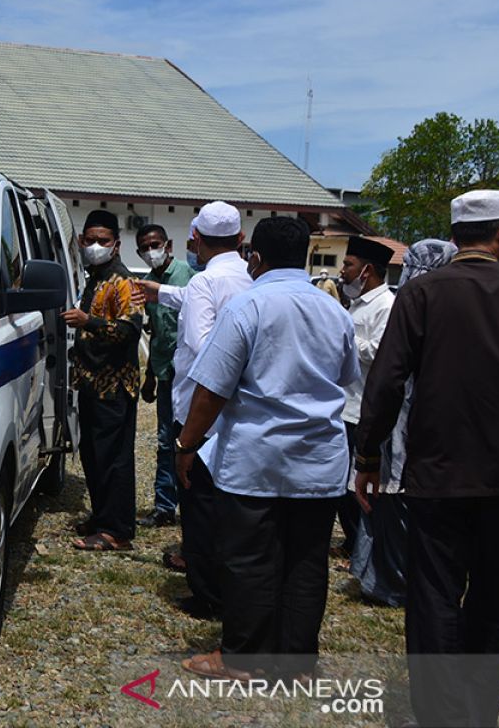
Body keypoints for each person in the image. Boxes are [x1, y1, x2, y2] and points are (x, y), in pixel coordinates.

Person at [355, 190, 499, 727]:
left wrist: (368, 456)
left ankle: (438, 714)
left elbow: (385, 382)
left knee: (433, 598)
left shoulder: (422, 293)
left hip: (436, 474)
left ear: (453, 238)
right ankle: (478, 713)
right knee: (495, 600)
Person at [175, 217, 360, 680]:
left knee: (249, 557)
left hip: (257, 456)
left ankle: (242, 655)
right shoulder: (333, 310)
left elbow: (211, 388)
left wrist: (186, 443)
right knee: (306, 560)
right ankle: (298, 661)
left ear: (255, 256)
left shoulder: (247, 306)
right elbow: (345, 376)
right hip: (318, 458)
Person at [138, 202, 252, 618]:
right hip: (237, 410)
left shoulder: (206, 283)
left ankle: (207, 593)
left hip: (200, 407)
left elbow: (206, 348)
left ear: (196, 241)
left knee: (199, 505)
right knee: (228, 503)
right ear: (240, 241)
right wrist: (161, 291)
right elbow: (192, 296)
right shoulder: (247, 278)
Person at [350, 239, 455, 609]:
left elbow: (388, 376)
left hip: (402, 429)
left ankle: (393, 583)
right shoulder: (452, 309)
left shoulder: (405, 308)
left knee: (395, 508)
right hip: (431, 435)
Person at [64, 209, 144, 551]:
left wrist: (88, 322)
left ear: (116, 244)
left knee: (114, 458)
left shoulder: (122, 282)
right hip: (92, 383)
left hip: (114, 386)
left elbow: (129, 331)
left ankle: (117, 530)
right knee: (94, 455)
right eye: (90, 240)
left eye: (103, 241)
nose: (96, 246)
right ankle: (102, 518)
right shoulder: (94, 277)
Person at [334, 237, 396, 560]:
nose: (342, 271)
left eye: (348, 265)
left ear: (367, 270)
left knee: (356, 485)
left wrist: (343, 340)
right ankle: (351, 543)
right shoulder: (356, 304)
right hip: (344, 404)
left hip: (362, 409)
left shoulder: (386, 305)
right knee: (341, 485)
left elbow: (380, 351)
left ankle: (365, 549)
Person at [135, 224, 195, 528]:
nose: (151, 252)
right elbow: (155, 333)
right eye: (144, 248)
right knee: (164, 440)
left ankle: (194, 505)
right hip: (165, 374)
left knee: (192, 439)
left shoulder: (190, 277)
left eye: (155, 245)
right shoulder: (147, 286)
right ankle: (163, 506)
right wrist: (149, 376)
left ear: (168, 245)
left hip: (192, 376)